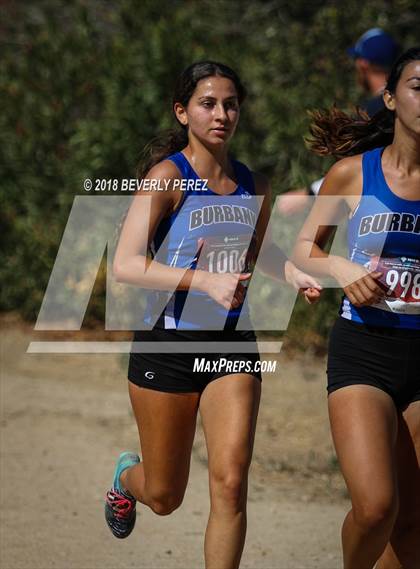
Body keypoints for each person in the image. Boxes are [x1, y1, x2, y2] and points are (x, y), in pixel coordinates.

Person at [104, 61, 321, 569]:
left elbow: (259, 248)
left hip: (231, 347)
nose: (221, 113)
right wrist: (202, 280)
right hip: (168, 345)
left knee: (230, 485)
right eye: (207, 103)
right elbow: (127, 264)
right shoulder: (167, 177)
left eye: (230, 104)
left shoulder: (253, 184)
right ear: (183, 112)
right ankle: (125, 480)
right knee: (164, 495)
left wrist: (290, 273)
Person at [293, 47, 420, 569]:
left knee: (412, 522)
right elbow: (305, 249)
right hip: (365, 349)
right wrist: (342, 269)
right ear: (391, 98)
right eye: (419, 86)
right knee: (375, 509)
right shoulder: (351, 173)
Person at [278, 28, 400, 216]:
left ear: (362, 64)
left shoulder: (373, 112)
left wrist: (308, 194)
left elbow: (359, 170)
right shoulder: (407, 107)